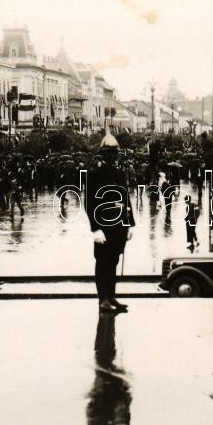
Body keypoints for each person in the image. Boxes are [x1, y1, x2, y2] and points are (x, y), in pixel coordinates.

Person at [86, 133, 134, 313]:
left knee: (113, 261)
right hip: (104, 227)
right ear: (102, 155)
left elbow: (126, 200)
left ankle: (111, 295)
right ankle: (102, 299)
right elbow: (90, 204)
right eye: (109, 153)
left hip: (119, 227)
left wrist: (129, 224)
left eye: (115, 154)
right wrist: (95, 229)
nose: (112, 157)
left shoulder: (120, 174)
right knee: (103, 262)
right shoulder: (94, 175)